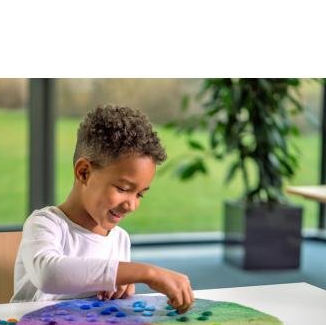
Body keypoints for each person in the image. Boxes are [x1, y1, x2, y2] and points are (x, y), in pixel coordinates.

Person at [11, 104, 194, 313]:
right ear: (84, 173)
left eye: (140, 194)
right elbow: (49, 275)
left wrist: (123, 285)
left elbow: (108, 288)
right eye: (123, 188)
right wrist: (147, 273)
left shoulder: (119, 239)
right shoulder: (45, 224)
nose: (132, 205)